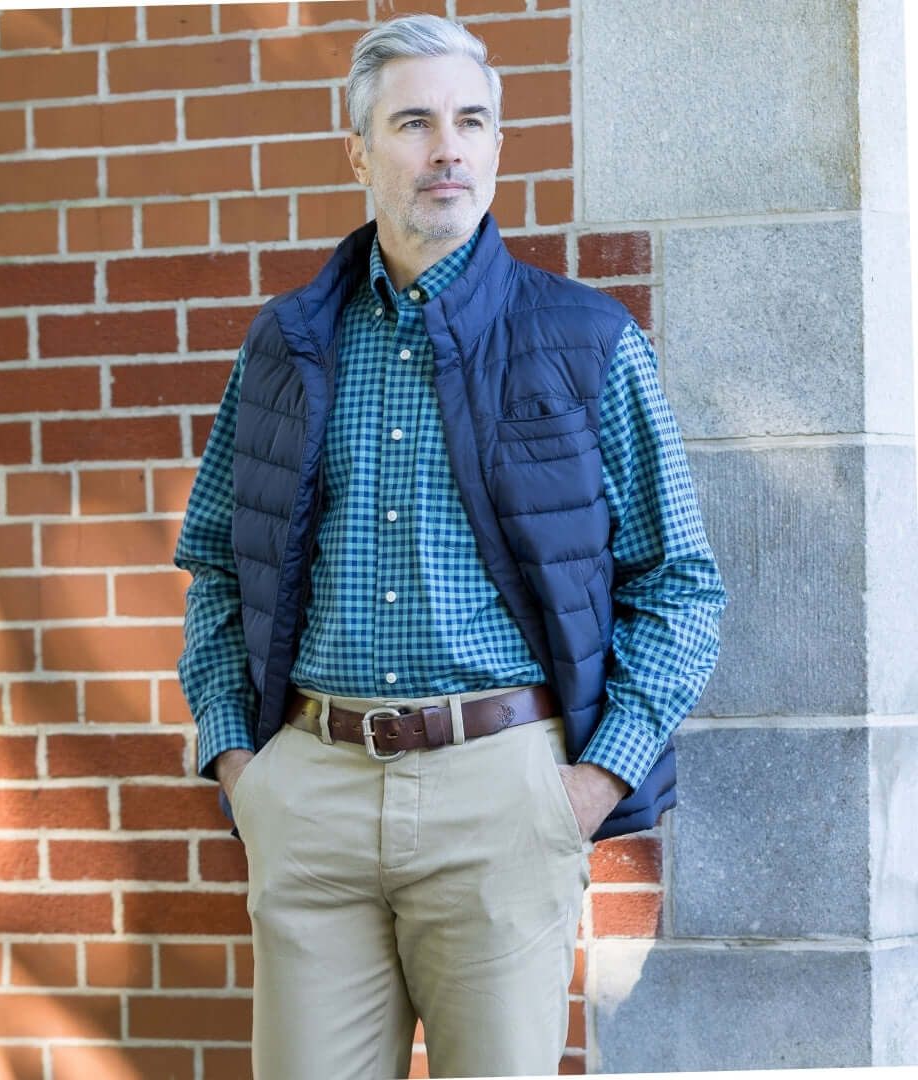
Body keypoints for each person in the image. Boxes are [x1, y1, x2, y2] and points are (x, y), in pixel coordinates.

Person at [175, 14, 726, 1080]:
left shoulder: (587, 340)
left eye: (472, 121)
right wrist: (242, 768)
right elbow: (213, 562)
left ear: (498, 145)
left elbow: (681, 582)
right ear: (359, 152)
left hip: (504, 794)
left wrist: (594, 781)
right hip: (311, 794)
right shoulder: (285, 343)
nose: (449, 148)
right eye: (415, 122)